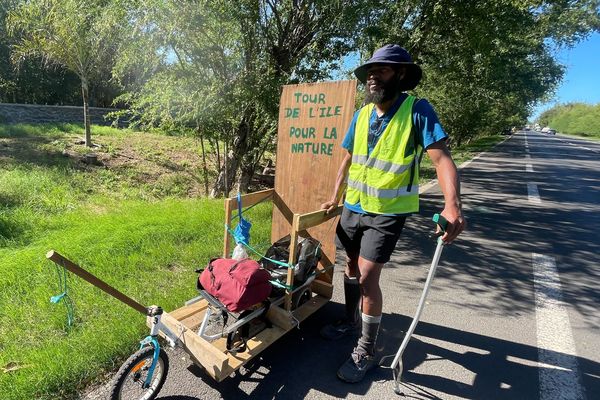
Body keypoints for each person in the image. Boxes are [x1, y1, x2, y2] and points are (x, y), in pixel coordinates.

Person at [320, 44, 466, 383]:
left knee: (370, 278)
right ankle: (349, 320)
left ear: (400, 75)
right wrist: (334, 195)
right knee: (351, 267)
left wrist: (452, 203)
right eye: (370, 71)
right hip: (354, 206)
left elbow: (441, 158)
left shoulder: (417, 110)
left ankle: (367, 348)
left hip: (387, 212)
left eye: (382, 70)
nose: (373, 76)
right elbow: (347, 157)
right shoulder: (362, 114)